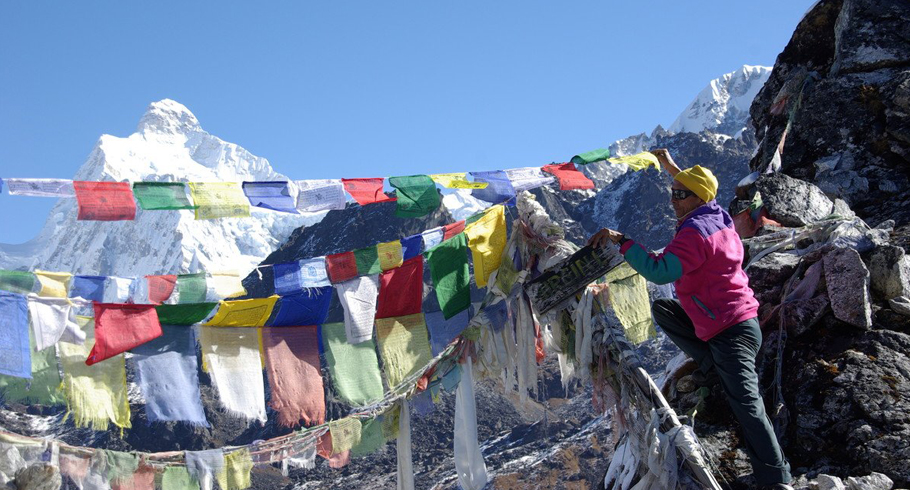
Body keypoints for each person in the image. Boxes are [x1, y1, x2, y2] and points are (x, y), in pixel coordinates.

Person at [588, 149, 793, 490]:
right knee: (665, 311)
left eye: (680, 195)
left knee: (746, 403)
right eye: (672, 192)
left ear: (697, 198)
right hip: (734, 322)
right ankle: (713, 367)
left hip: (729, 330)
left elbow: (660, 270)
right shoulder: (716, 215)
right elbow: (698, 187)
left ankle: (777, 477)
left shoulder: (694, 233)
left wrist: (622, 241)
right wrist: (671, 167)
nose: (673, 199)